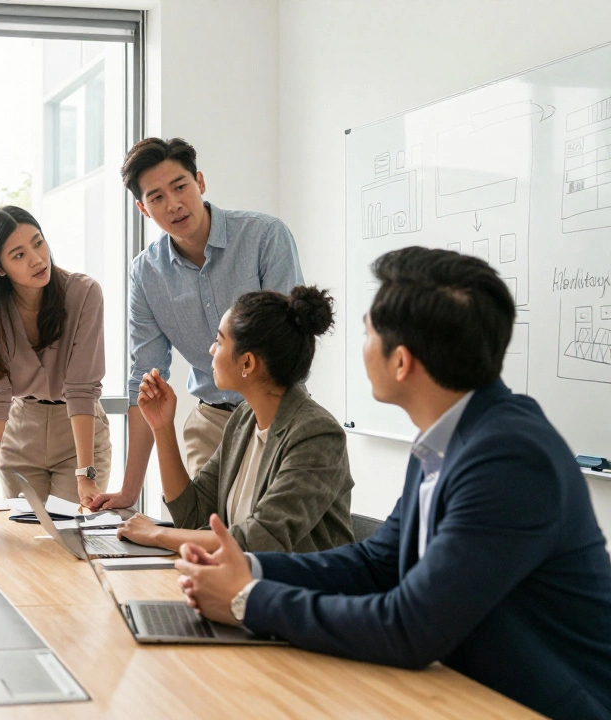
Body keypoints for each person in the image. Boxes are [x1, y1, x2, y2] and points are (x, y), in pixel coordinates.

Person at [176, 248, 611, 720]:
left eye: (367, 333)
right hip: (463, 693)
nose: (361, 347)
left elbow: (410, 626)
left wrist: (248, 600)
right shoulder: (448, 436)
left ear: (401, 362)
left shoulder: (510, 458)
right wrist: (250, 568)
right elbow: (377, 564)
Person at [90, 138, 303, 511]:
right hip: (210, 424)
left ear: (200, 182)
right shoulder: (146, 274)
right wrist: (128, 492)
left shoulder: (264, 236)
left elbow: (287, 342)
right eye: (156, 197)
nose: (172, 204)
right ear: (143, 208)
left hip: (277, 413)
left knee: (263, 541)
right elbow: (145, 378)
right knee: (202, 533)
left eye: (180, 186)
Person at [116, 286, 354, 554]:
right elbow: (193, 515)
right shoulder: (244, 419)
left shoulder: (317, 435)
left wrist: (158, 534)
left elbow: (260, 540)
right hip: (244, 584)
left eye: (219, 341)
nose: (210, 350)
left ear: (248, 363)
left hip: (299, 591)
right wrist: (162, 427)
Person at [0, 206, 110, 508]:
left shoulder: (84, 293)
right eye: (18, 255)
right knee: (24, 541)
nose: (36, 259)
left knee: (71, 540)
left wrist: (85, 473)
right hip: (20, 432)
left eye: (38, 242)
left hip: (77, 431)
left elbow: (81, 389)